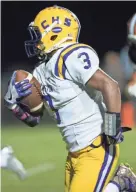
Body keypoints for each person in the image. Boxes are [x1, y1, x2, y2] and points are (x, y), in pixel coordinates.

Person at [4, 5, 136, 192]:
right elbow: (34, 119)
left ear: (55, 33)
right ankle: (122, 183)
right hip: (74, 154)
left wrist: (112, 128)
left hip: (96, 148)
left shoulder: (70, 56)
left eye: (38, 34)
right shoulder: (41, 72)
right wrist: (12, 104)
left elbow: (110, 86)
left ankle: (121, 183)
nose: (35, 40)